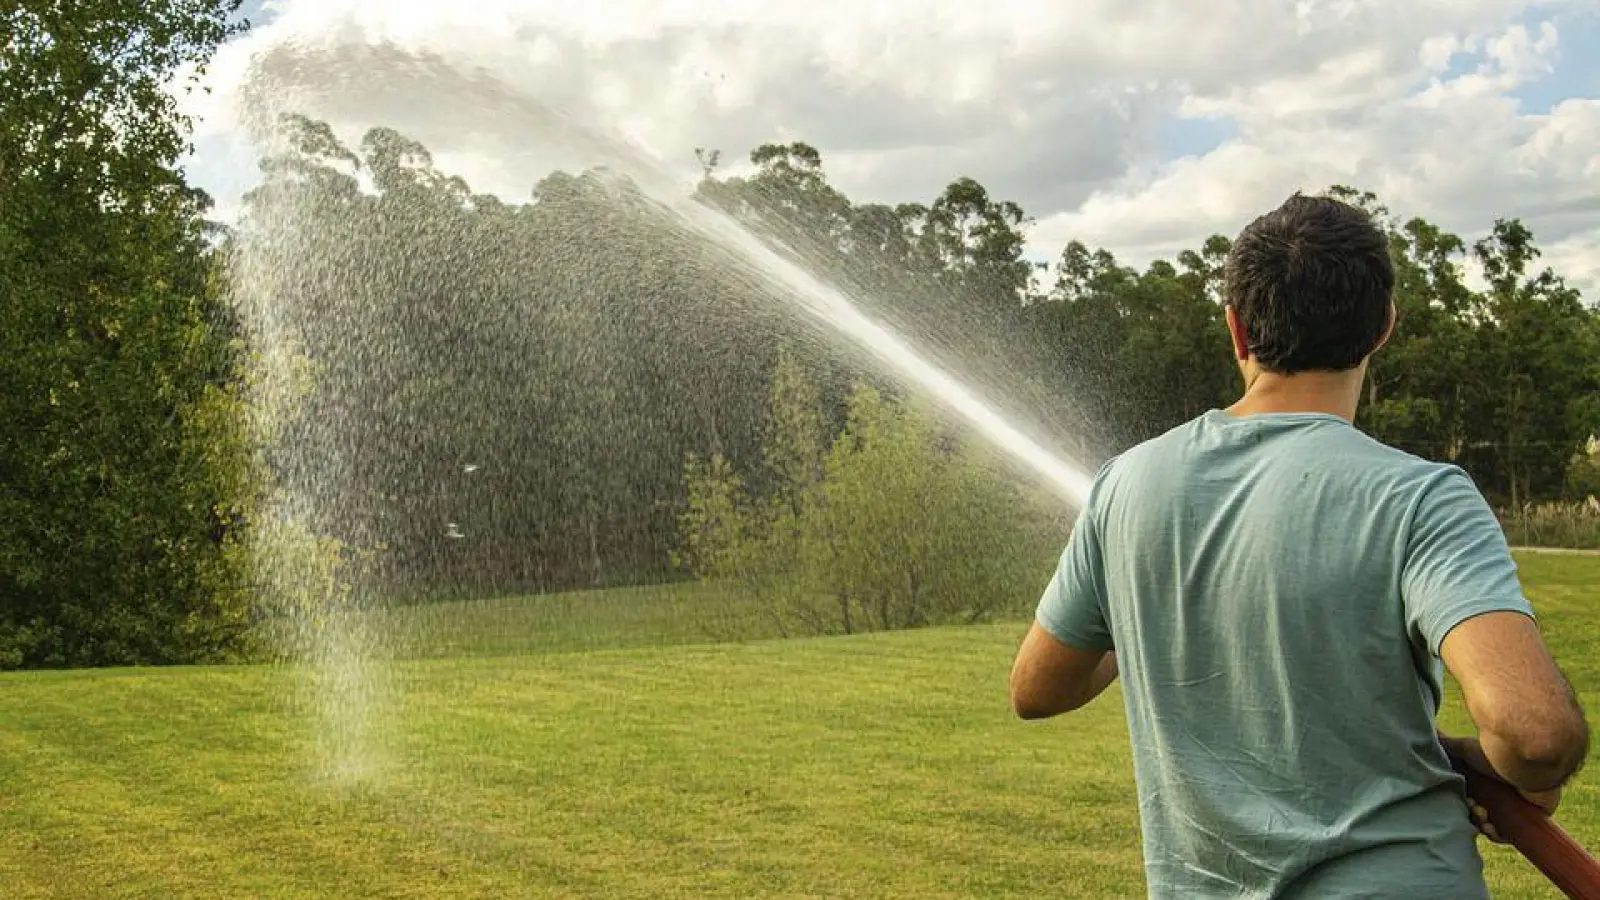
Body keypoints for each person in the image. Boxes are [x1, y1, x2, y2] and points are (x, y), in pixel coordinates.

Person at [1008, 193, 1590, 898]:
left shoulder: (1124, 486)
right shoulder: (1419, 498)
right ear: (1384, 326)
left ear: (1237, 332)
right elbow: (1534, 733)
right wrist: (1510, 771)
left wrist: (1160, 600)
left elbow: (1039, 688)